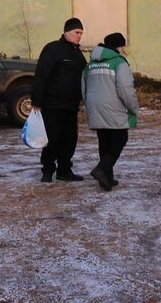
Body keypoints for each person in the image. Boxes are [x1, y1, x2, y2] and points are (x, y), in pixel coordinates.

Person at [30, 17, 87, 183]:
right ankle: (47, 170)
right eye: (77, 32)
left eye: (81, 33)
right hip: (53, 104)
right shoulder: (53, 49)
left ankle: (64, 170)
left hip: (71, 105)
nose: (79, 36)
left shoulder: (77, 53)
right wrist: (37, 101)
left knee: (69, 139)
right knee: (52, 138)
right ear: (67, 31)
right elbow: (41, 75)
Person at [83, 32, 140, 192]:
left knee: (104, 139)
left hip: (94, 106)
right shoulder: (119, 62)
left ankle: (106, 179)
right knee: (120, 138)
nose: (123, 50)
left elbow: (84, 85)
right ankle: (102, 169)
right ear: (118, 47)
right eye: (122, 46)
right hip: (113, 106)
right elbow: (125, 89)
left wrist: (88, 104)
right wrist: (133, 107)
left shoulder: (91, 63)